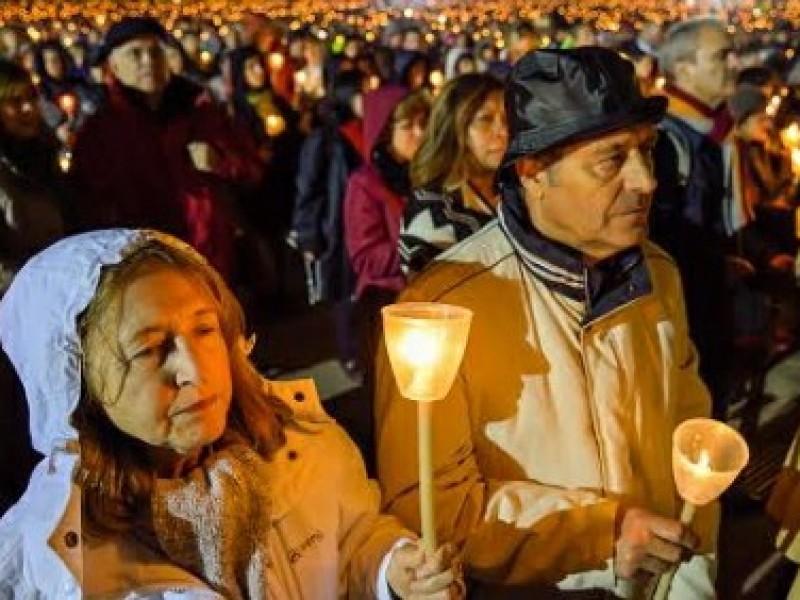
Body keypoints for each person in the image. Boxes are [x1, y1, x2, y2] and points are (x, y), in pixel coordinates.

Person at [376, 48, 717, 598]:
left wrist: (690, 577)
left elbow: (689, 441)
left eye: (645, 152)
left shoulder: (659, 277)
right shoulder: (447, 306)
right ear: (534, 172)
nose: (645, 181)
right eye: (611, 160)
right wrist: (598, 536)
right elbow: (430, 506)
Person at [0, 228, 464, 599]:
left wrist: (393, 570)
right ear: (79, 386)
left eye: (205, 330)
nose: (194, 370)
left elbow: (354, 541)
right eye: (150, 349)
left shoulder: (297, 446)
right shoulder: (54, 563)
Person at [70, 17, 263, 280]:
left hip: (211, 264)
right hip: (143, 275)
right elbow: (88, 213)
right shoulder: (100, 133)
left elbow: (253, 169)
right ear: (113, 65)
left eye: (156, 51)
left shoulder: (204, 114)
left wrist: (221, 163)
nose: (148, 61)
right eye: (135, 54)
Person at [649, 17, 737, 419]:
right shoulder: (664, 138)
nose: (734, 64)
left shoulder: (716, 129)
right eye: (721, 56)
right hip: (685, 297)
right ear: (683, 68)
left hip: (713, 286)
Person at [400, 73, 507, 276]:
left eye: (506, 119)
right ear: (455, 127)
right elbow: (428, 297)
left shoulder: (521, 189)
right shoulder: (432, 209)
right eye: (486, 120)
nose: (503, 131)